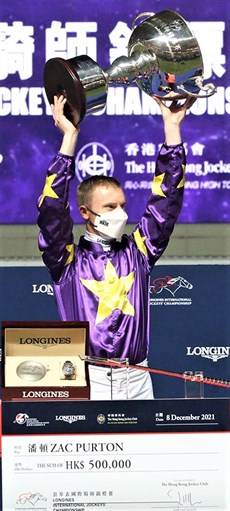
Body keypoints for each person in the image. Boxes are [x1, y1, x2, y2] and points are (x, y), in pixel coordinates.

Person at [37, 94, 195, 400]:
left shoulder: (139, 251)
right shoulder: (66, 260)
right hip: (87, 378)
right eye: (109, 207)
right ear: (85, 213)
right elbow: (51, 211)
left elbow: (167, 200)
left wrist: (172, 127)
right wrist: (70, 138)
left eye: (122, 205)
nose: (119, 213)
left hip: (138, 378)